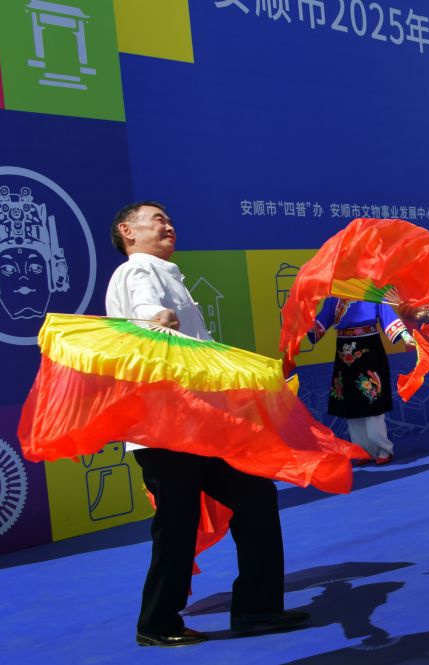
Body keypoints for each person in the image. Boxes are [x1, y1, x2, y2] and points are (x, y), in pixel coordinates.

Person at [106, 201, 309, 647]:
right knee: (177, 522)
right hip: (164, 428)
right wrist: (156, 316)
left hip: (199, 425)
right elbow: (145, 309)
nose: (168, 225)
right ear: (127, 231)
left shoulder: (167, 273)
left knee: (254, 496)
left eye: (169, 219)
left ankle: (257, 608)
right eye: (157, 219)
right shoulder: (138, 269)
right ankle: (157, 623)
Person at [307, 298, 417, 464]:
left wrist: (405, 335)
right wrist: (304, 324)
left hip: (369, 349)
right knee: (351, 402)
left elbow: (387, 315)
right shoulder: (334, 296)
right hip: (344, 351)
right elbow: (321, 323)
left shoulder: (371, 292)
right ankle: (363, 451)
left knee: (372, 398)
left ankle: (383, 449)